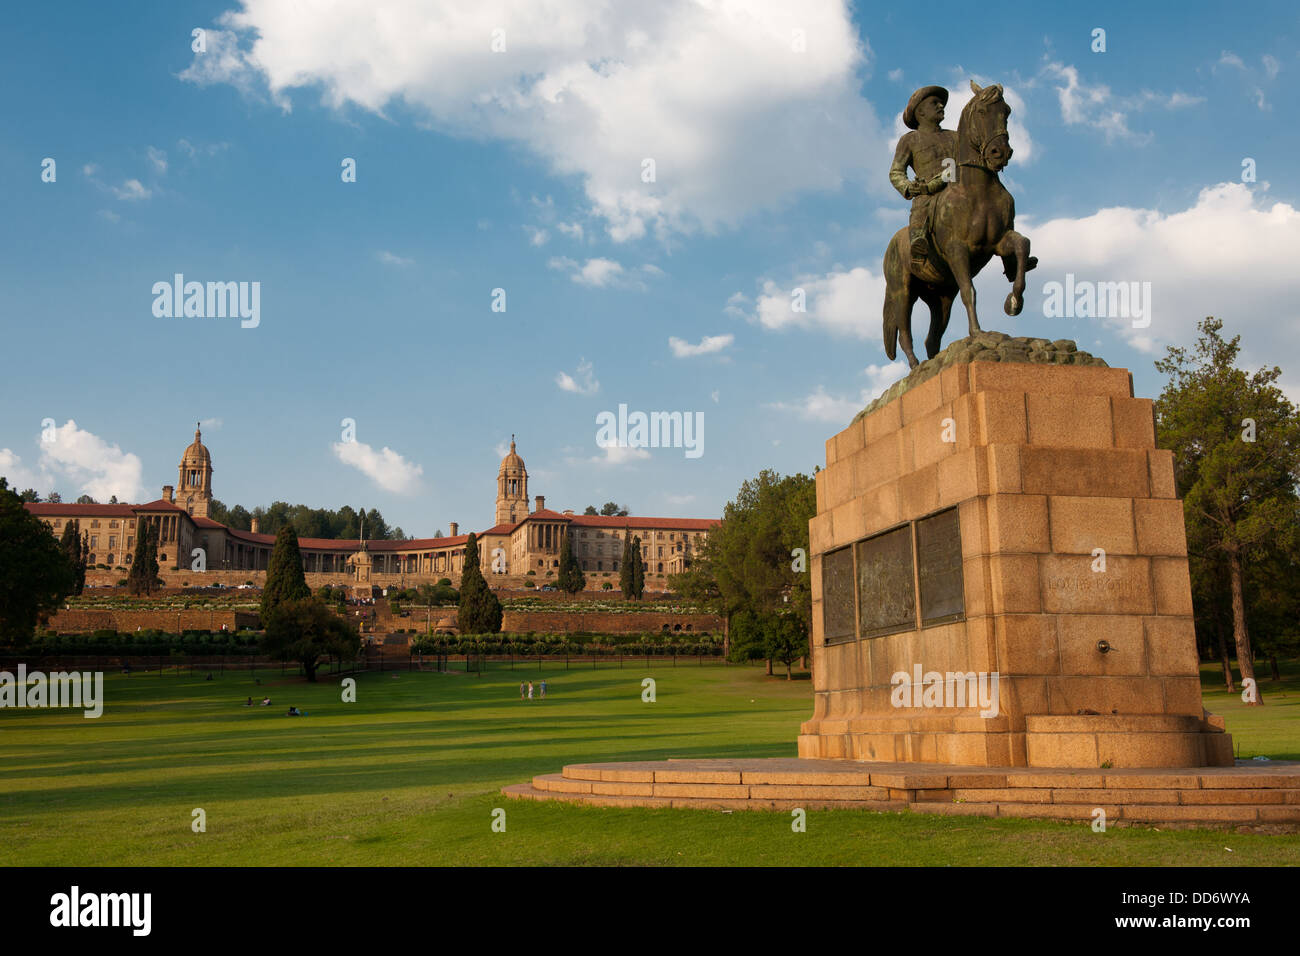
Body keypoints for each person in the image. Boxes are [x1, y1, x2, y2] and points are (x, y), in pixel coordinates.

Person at [890, 85, 959, 266]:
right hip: (928, 192)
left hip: (958, 186)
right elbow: (896, 171)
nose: (941, 106)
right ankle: (918, 244)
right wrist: (908, 186)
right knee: (921, 207)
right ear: (920, 112)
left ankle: (1009, 259)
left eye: (941, 103)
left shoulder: (956, 137)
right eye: (934, 103)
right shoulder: (910, 140)